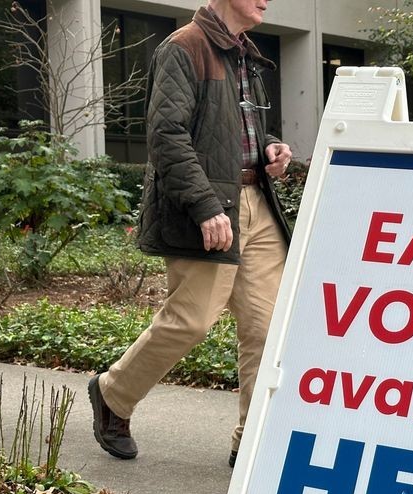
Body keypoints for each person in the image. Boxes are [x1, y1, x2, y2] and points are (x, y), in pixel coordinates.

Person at [88, 0, 293, 466]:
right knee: (192, 319)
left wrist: (270, 148)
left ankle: (253, 440)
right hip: (207, 207)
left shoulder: (246, 54)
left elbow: (238, 133)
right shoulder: (184, 47)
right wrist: (204, 206)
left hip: (256, 204)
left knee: (266, 329)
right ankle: (113, 393)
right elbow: (167, 135)